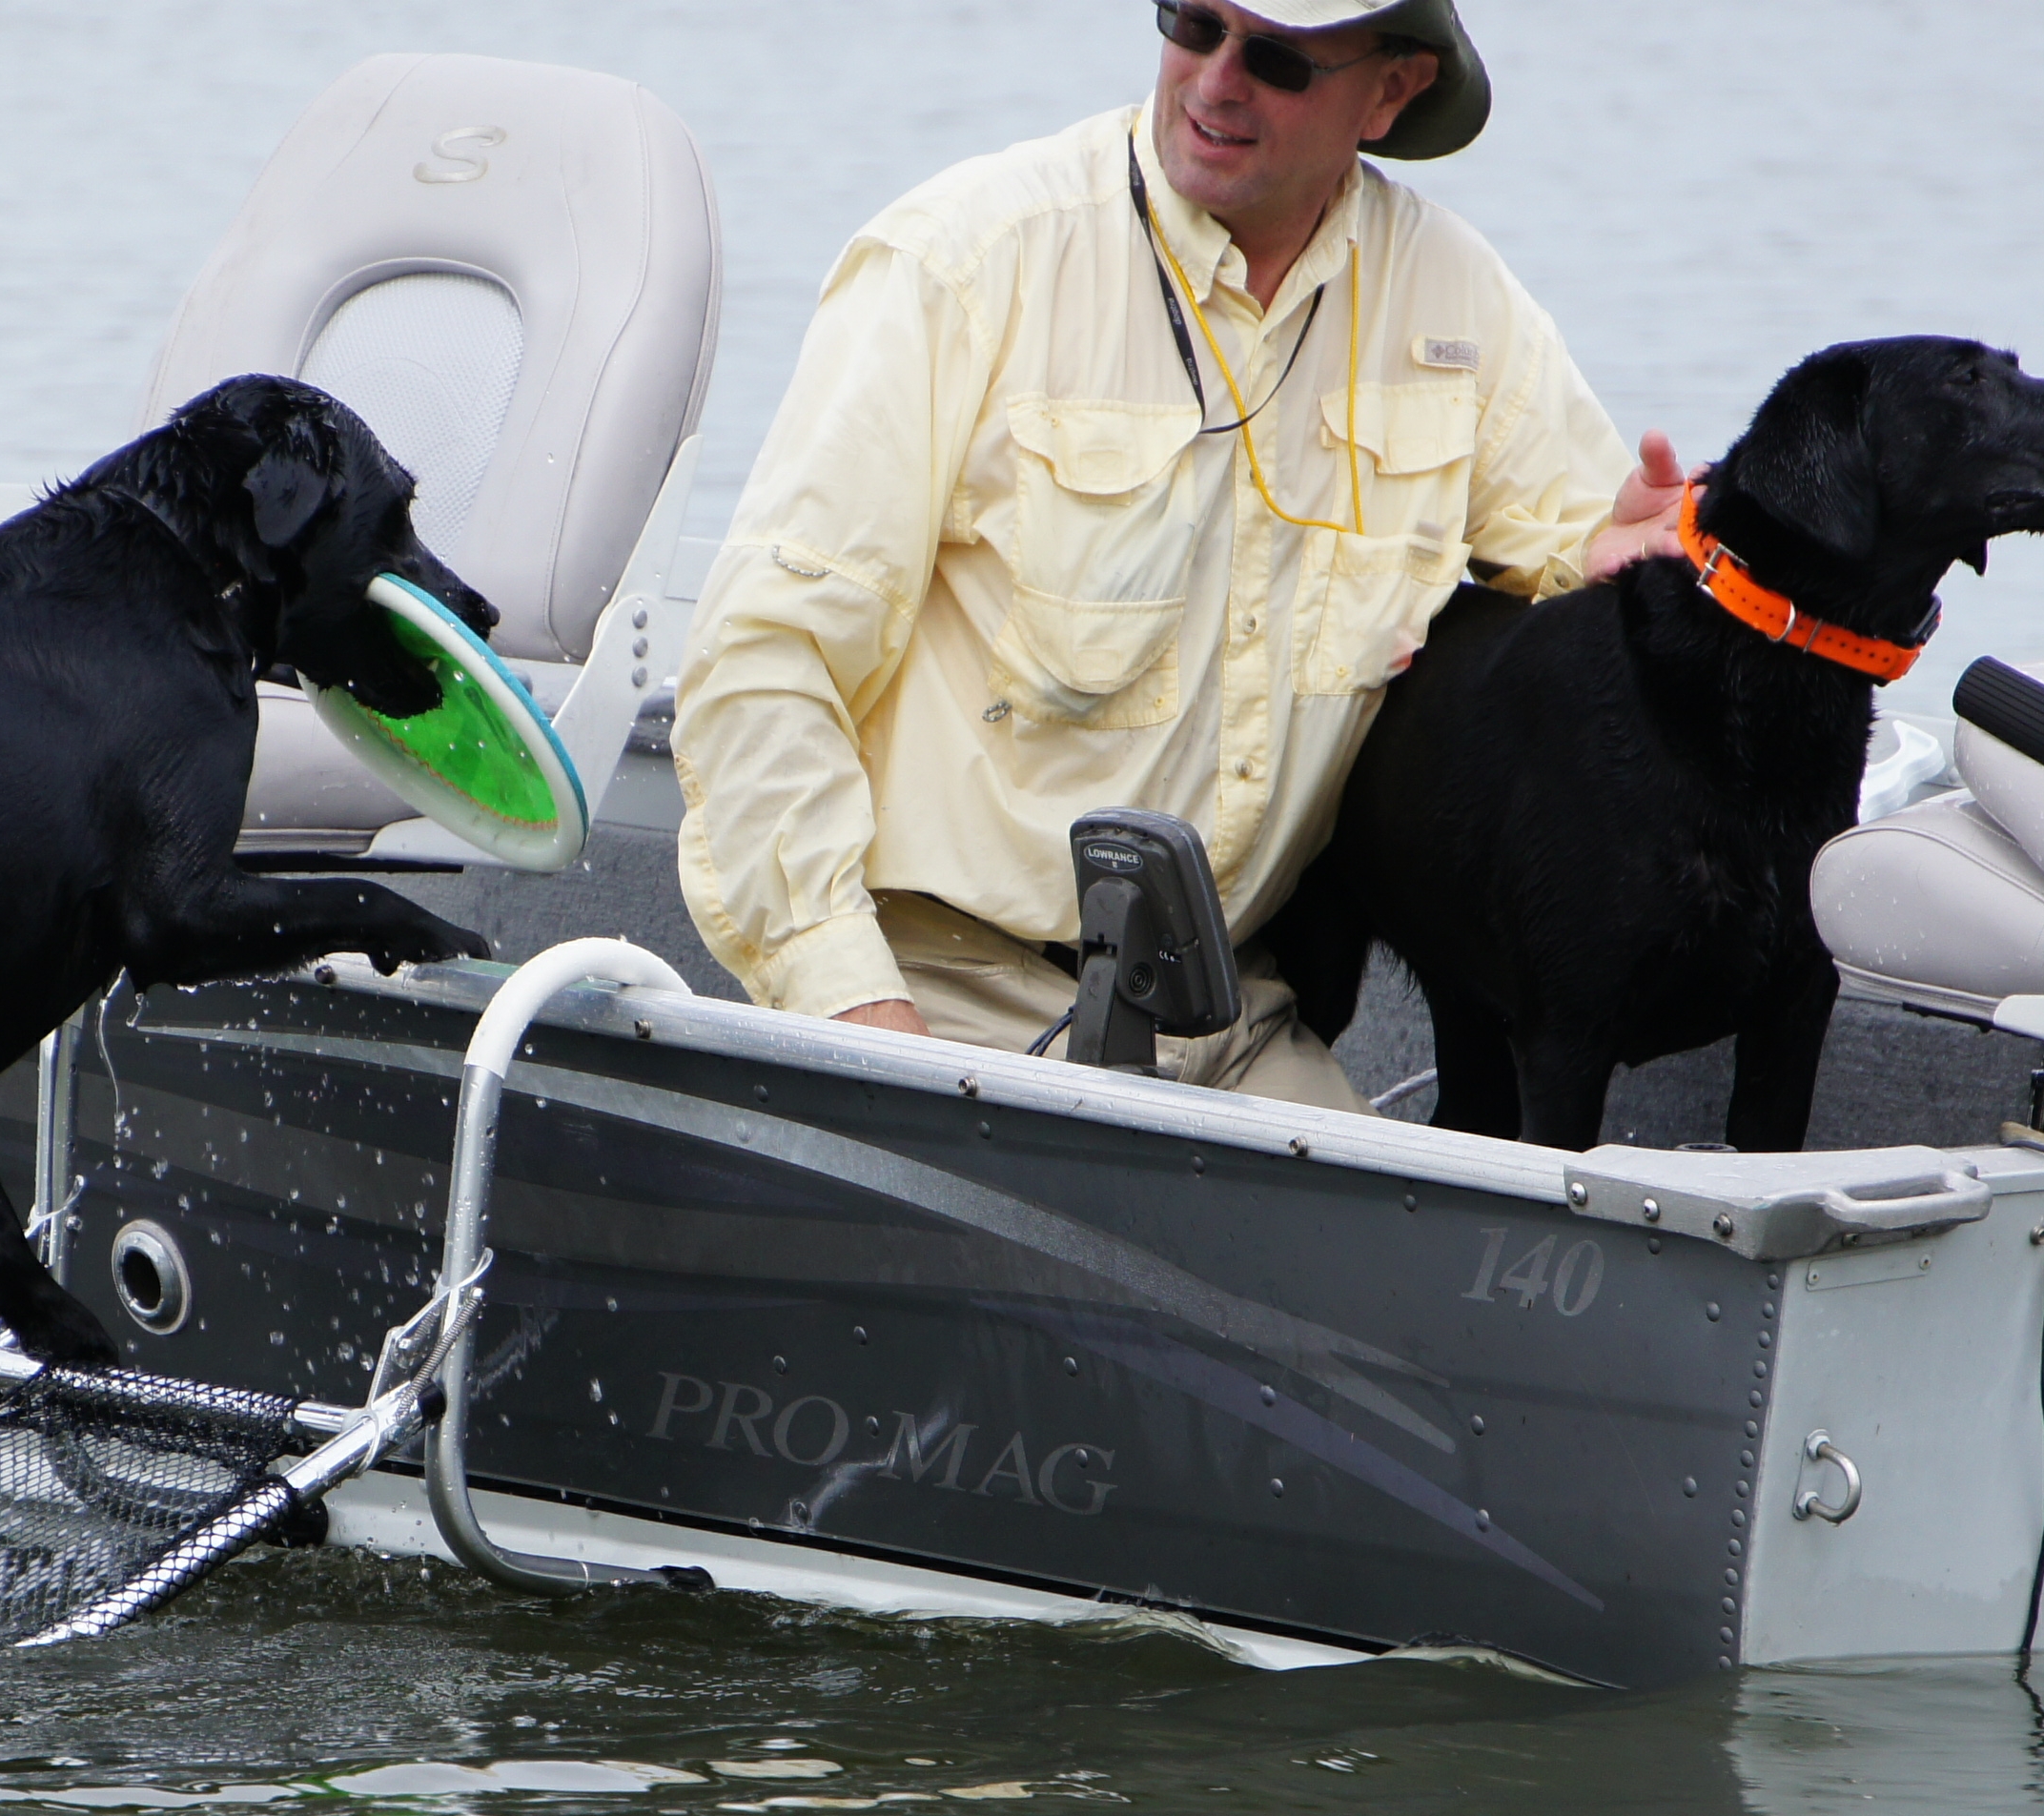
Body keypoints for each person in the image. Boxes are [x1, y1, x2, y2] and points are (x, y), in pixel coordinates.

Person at [670, 1, 1689, 1109]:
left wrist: (1635, 557)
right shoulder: (959, 258)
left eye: (1275, 58)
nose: (1211, 80)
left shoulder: (1452, 294)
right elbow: (759, 665)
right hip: (940, 991)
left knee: (1387, 1279)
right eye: (1191, 22)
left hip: (1232, 1013)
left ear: (1391, 90)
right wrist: (860, 1019)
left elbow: (1591, 540)